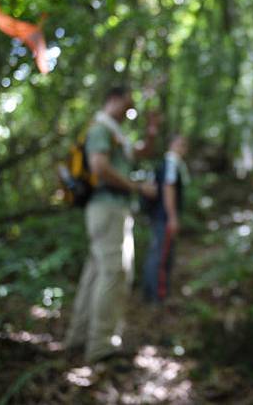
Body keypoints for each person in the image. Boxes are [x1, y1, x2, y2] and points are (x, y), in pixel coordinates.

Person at [64, 86, 158, 363]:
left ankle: (78, 338)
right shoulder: (100, 130)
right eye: (127, 105)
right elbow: (99, 167)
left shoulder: (115, 133)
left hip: (112, 209)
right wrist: (137, 187)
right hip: (107, 207)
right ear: (113, 99)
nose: (130, 112)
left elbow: (140, 152)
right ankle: (100, 347)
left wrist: (151, 131)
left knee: (96, 273)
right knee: (114, 273)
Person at [143, 135, 189, 304]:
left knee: (156, 254)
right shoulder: (171, 163)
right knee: (161, 256)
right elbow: (168, 188)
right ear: (171, 144)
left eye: (185, 145)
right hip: (163, 218)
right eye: (180, 143)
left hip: (159, 217)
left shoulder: (169, 163)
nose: (183, 148)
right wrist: (172, 217)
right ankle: (158, 296)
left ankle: (151, 295)